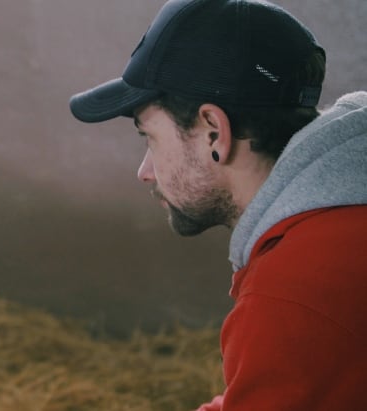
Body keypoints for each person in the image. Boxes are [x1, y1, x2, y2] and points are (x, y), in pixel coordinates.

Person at [68, 0, 367, 409]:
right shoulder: (341, 230)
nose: (145, 172)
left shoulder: (295, 296)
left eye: (150, 138)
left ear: (213, 133)